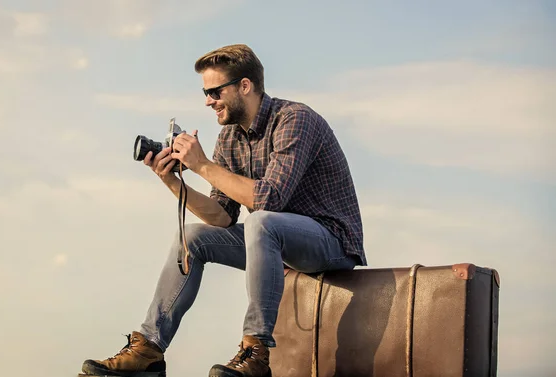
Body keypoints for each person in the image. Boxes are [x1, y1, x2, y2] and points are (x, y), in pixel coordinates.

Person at [80, 44, 366, 377]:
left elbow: (268, 200)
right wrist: (172, 181)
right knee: (192, 236)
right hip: (274, 242)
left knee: (262, 220)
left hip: (330, 242)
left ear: (245, 86)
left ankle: (255, 352)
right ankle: (148, 351)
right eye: (205, 92)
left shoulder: (294, 119)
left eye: (215, 91)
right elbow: (223, 216)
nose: (207, 101)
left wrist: (201, 165)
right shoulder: (229, 138)